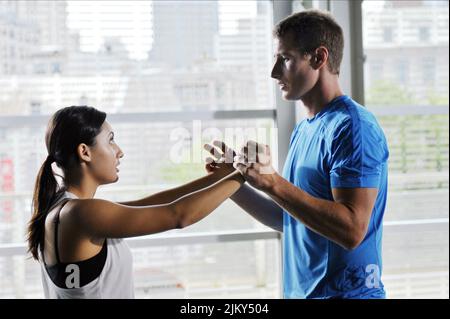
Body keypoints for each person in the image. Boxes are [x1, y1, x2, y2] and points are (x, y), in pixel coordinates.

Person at [205, 9, 389, 299]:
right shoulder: (304, 130)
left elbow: (352, 230)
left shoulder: (353, 128)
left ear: (318, 58)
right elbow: (289, 218)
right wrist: (233, 182)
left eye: (285, 59)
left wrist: (272, 182)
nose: (274, 72)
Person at [27, 105, 244, 298]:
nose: (119, 151)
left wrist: (218, 178)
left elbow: (152, 204)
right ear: (85, 152)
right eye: (110, 140)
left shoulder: (68, 209)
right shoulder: (81, 213)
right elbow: (178, 215)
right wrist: (245, 173)